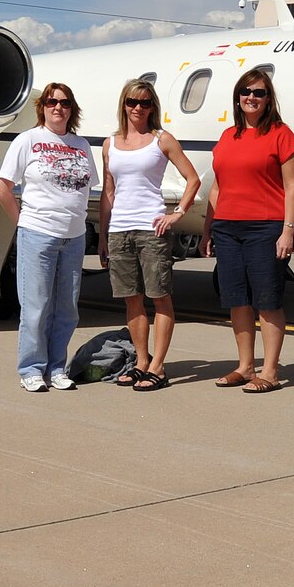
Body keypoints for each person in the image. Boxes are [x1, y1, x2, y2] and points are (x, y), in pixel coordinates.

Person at [202, 70, 294, 392]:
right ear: (238, 97)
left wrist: (288, 231)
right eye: (246, 92)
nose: (251, 98)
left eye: (259, 93)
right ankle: (246, 367)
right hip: (227, 228)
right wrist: (208, 230)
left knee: (267, 300)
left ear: (268, 98)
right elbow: (217, 187)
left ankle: (270, 371)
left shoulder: (281, 135)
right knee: (237, 300)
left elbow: (292, 186)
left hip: (265, 227)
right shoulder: (227, 136)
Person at [99, 77, 200, 391]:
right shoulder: (110, 144)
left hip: (151, 229)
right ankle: (142, 361)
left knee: (160, 297)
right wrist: (103, 235)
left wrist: (177, 214)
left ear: (152, 106)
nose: (137, 108)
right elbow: (109, 193)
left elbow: (192, 179)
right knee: (132, 300)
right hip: (120, 231)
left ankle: (158, 366)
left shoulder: (162, 139)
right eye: (132, 102)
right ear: (124, 105)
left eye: (144, 102)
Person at [0, 84, 96, 393]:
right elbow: (3, 187)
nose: (58, 107)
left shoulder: (81, 145)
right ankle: (31, 369)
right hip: (37, 234)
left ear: (71, 109)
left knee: (67, 308)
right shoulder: (28, 140)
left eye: (65, 103)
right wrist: (23, 222)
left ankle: (56, 367)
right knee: (36, 306)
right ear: (42, 107)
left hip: (74, 237)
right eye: (52, 102)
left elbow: (89, 187)